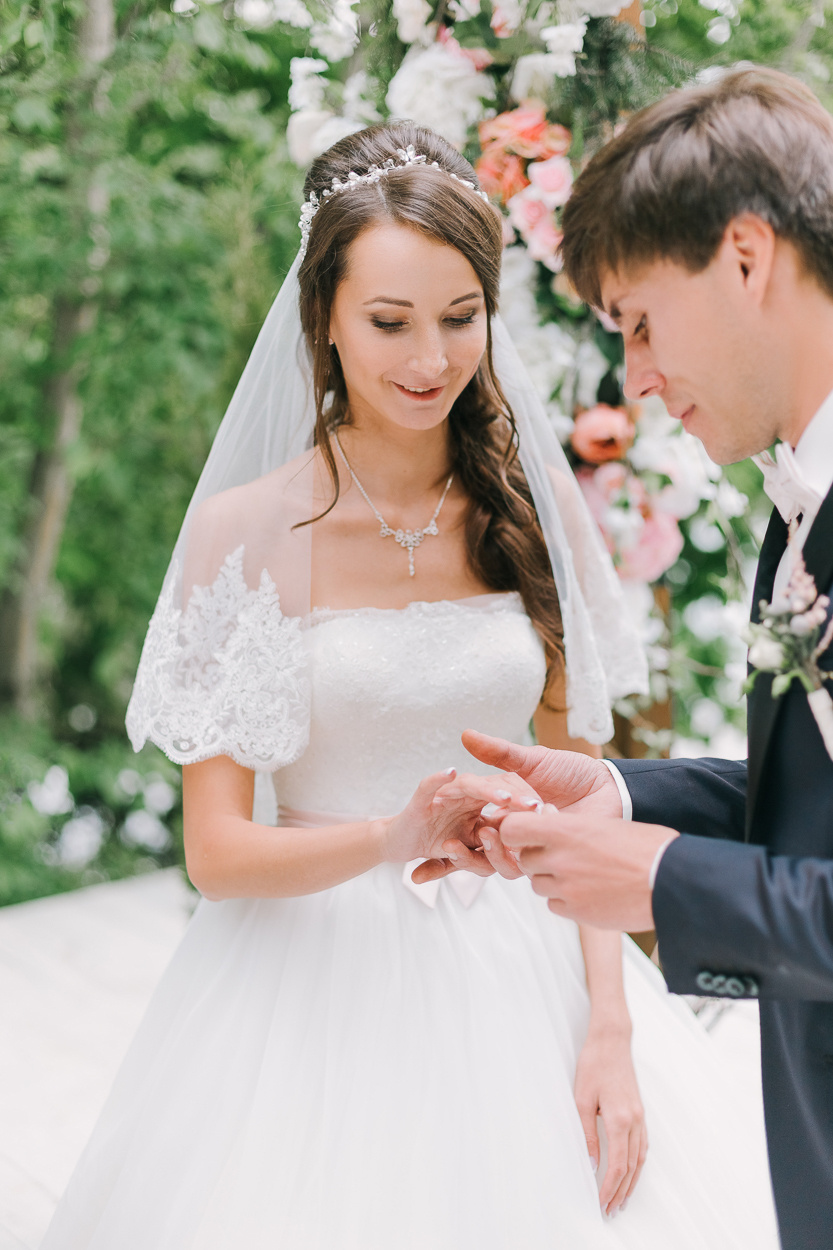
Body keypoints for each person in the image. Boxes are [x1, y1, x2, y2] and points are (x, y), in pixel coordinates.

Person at [41, 121, 778, 1250]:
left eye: (457, 316)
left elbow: (580, 792)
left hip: (529, 971)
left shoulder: (525, 518)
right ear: (323, 320)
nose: (428, 358)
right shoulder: (245, 535)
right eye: (388, 322)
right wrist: (392, 835)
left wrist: (610, 1027)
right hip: (302, 986)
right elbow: (216, 852)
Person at [446, 67, 833, 1250]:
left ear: (744, 255)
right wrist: (614, 793)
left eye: (640, 324)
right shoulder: (794, 505)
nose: (642, 381)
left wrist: (657, 879)